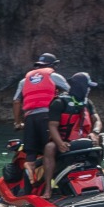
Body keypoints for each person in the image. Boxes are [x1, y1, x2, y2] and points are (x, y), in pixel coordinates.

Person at [14, 53, 70, 193]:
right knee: (50, 150)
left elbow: (16, 101)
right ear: (52, 66)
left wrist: (17, 122)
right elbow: (72, 93)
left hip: (30, 119)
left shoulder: (24, 81)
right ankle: (51, 186)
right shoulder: (54, 76)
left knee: (31, 153)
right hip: (47, 117)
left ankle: (30, 172)